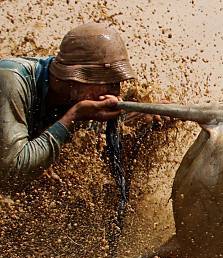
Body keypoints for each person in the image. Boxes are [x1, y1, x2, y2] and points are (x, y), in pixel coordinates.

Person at [0, 22, 135, 188]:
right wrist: (72, 117)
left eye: (117, 84)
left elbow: (97, 135)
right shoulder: (10, 80)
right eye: (109, 83)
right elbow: (10, 172)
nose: (114, 94)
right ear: (77, 77)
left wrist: (139, 119)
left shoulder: (75, 94)